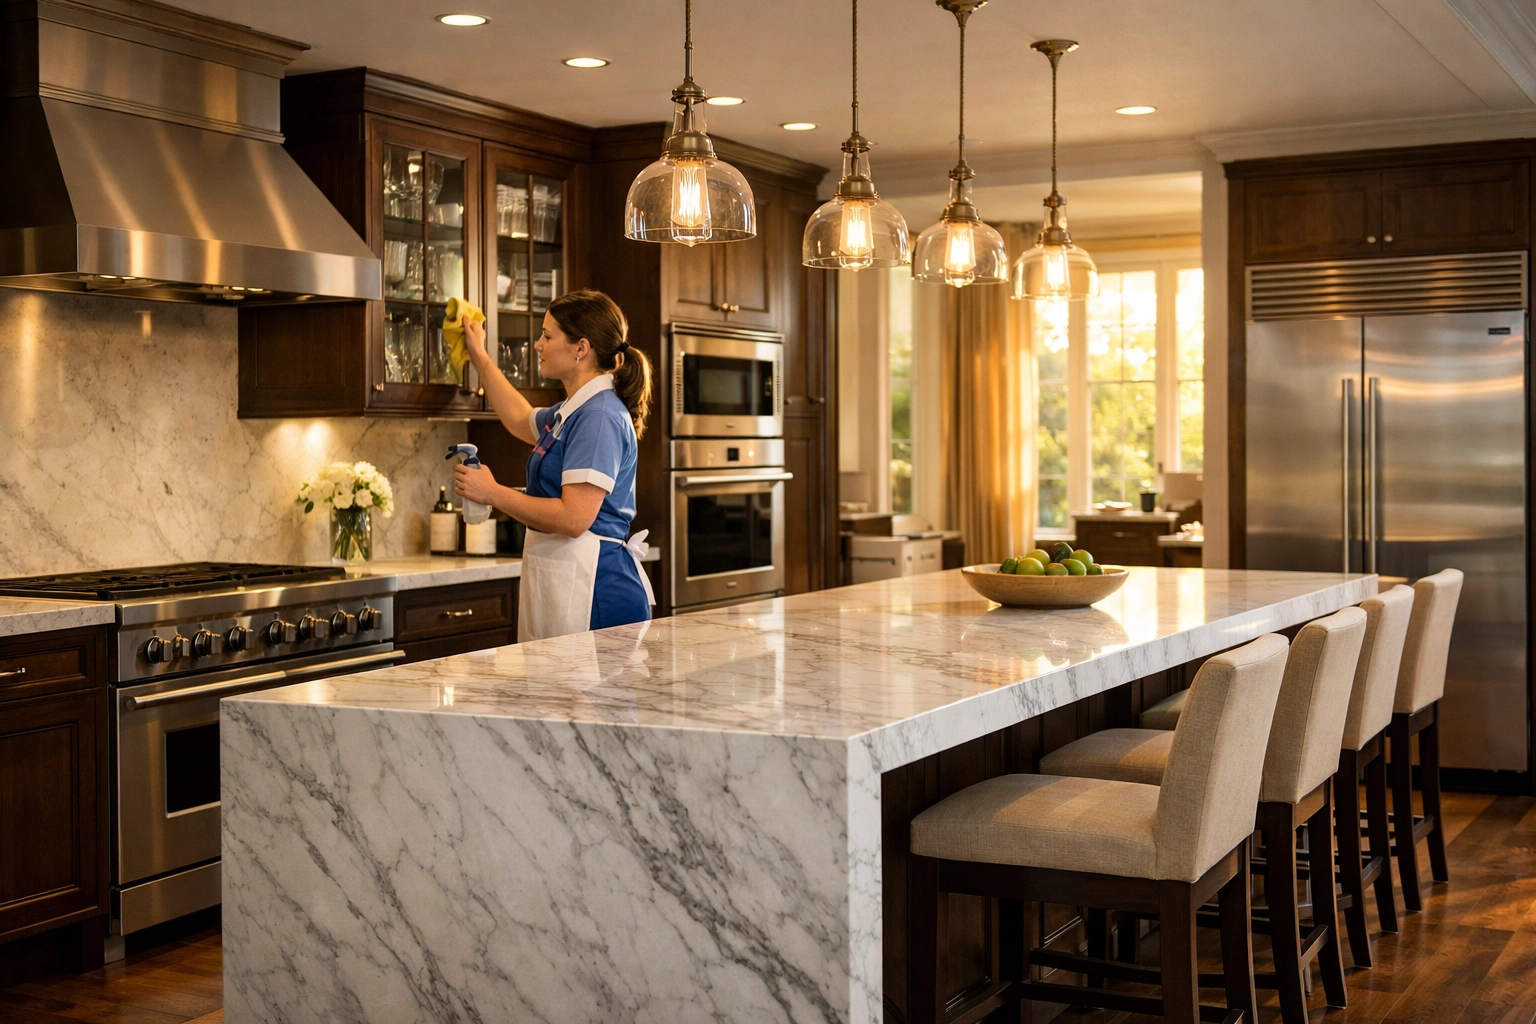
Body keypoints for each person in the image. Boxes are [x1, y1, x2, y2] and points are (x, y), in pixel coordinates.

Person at [456, 289, 654, 640]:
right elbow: (519, 418)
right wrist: (479, 357)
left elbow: (573, 518)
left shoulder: (600, 416)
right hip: (574, 578)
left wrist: (493, 493)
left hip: (598, 589)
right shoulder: (574, 410)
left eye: (547, 336)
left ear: (581, 348)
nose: (537, 345)